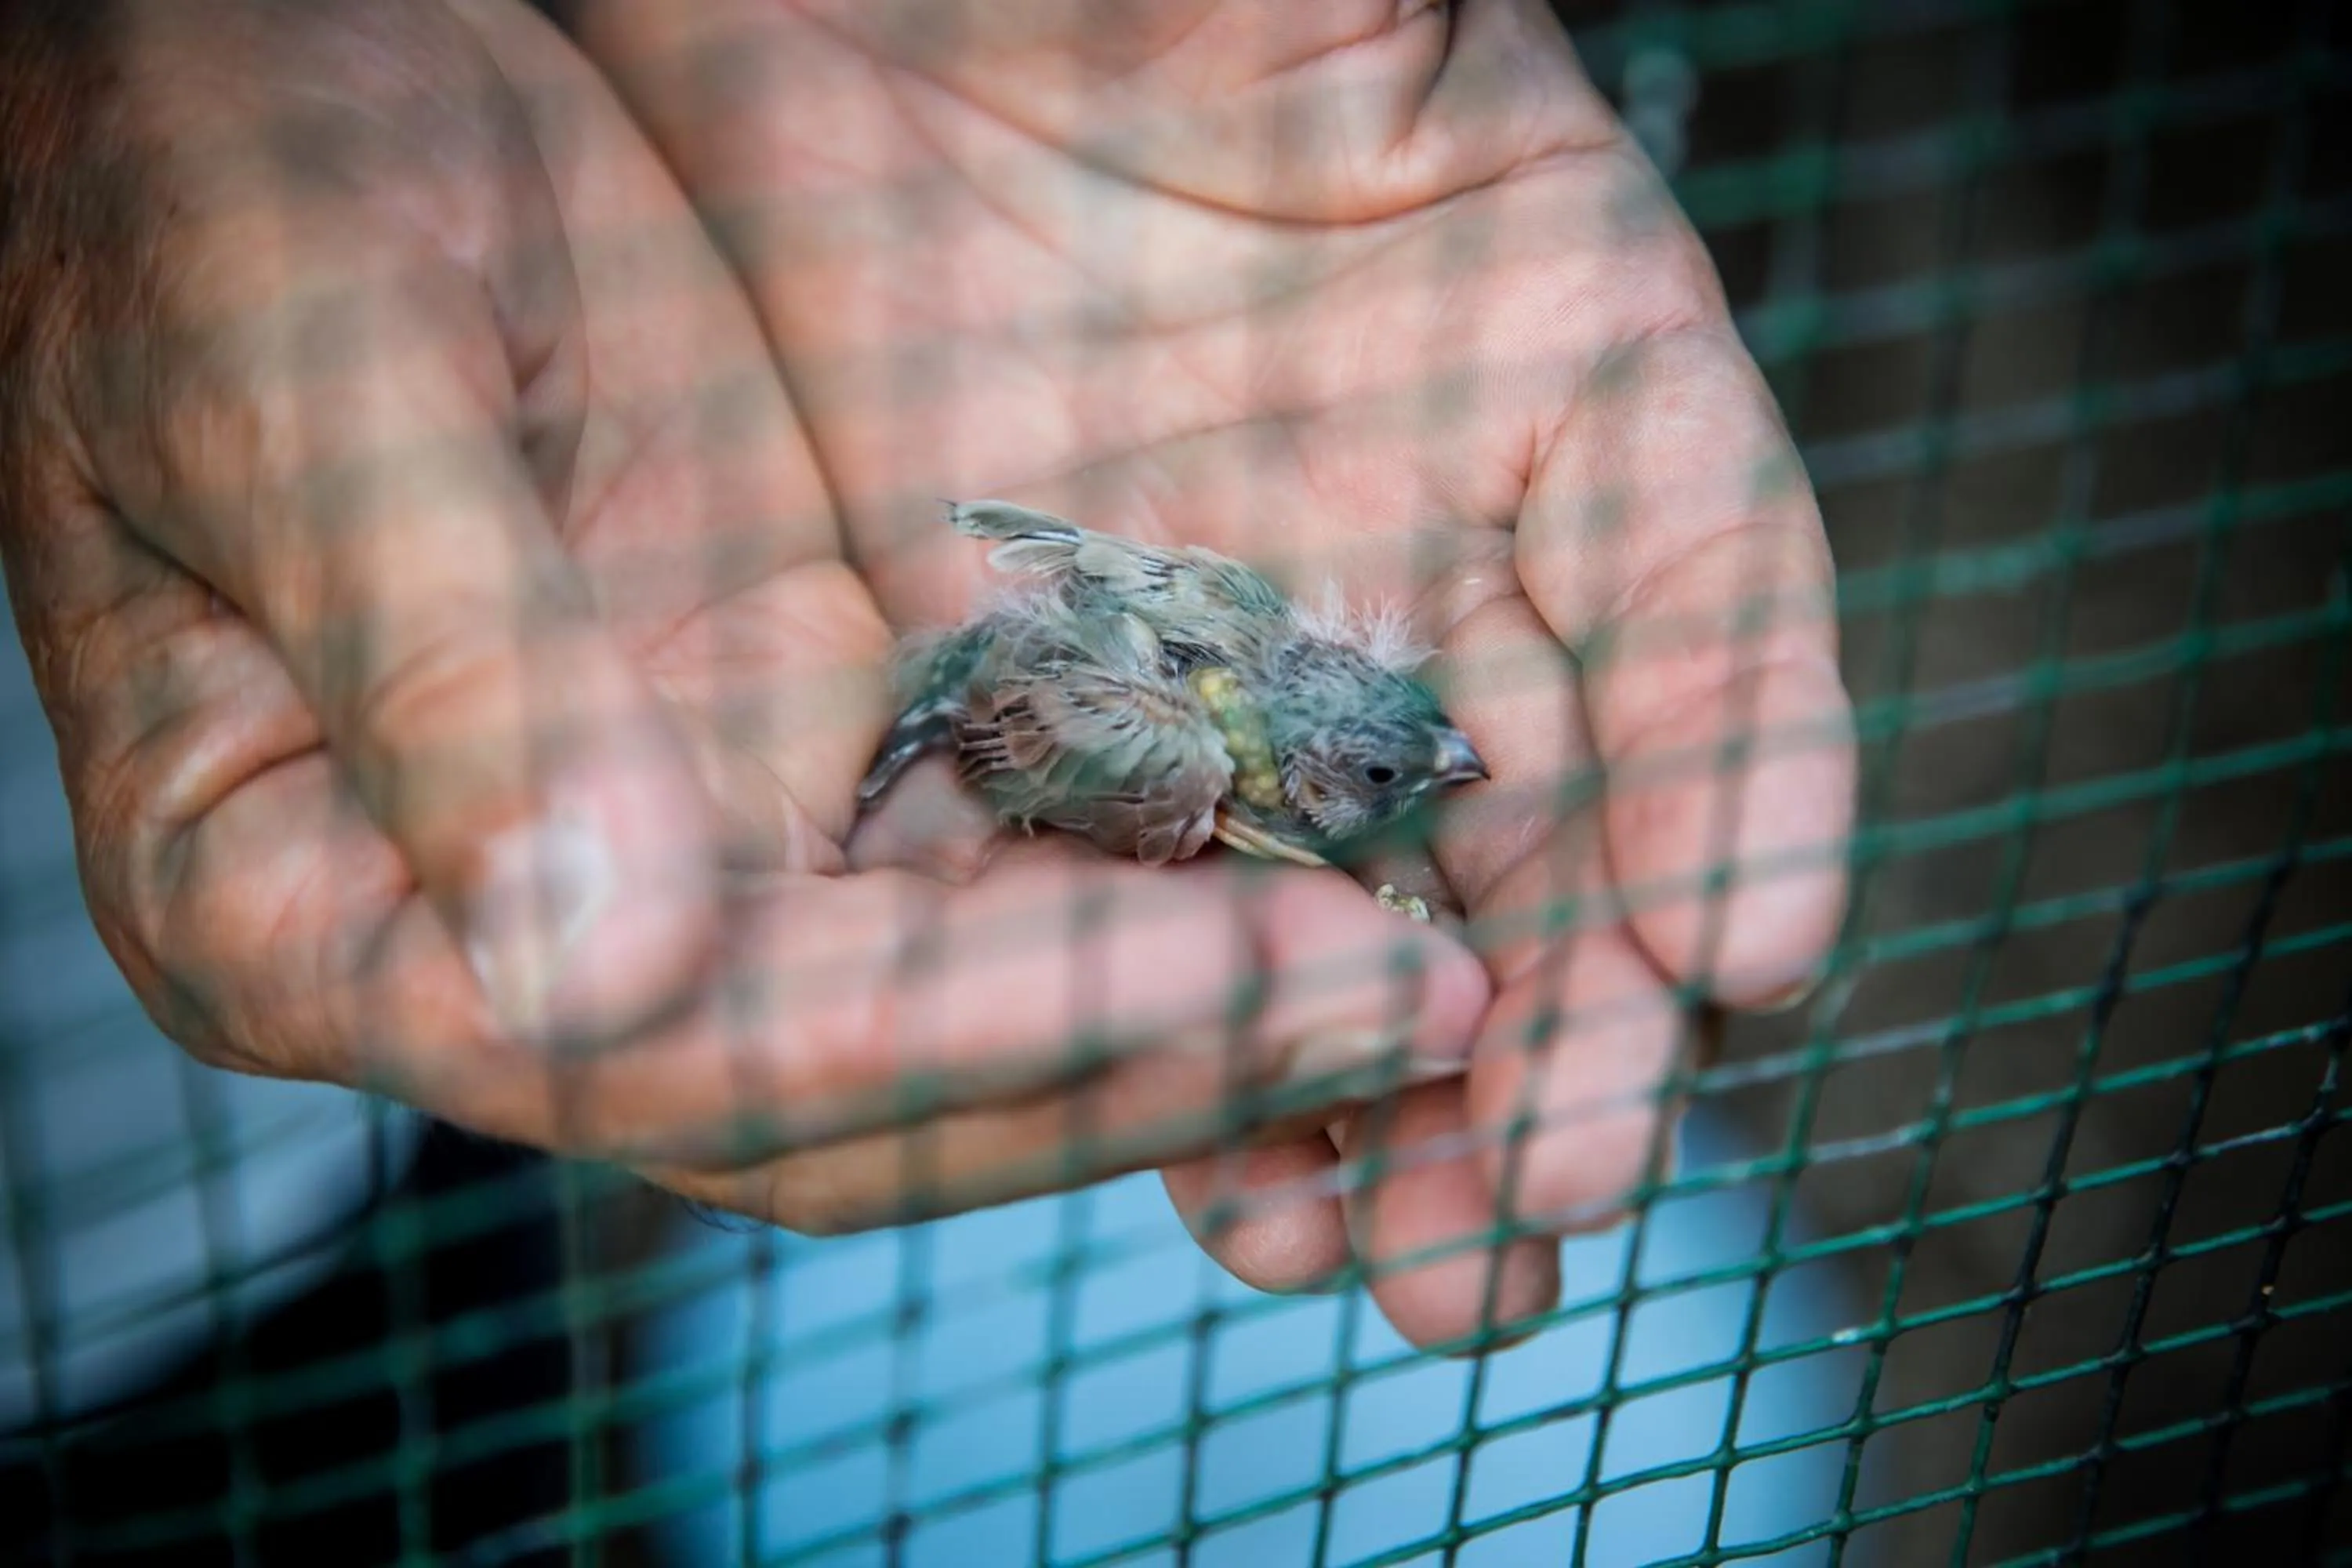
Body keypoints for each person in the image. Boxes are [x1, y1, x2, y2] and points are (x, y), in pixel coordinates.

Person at [0, 0, 1857, 1555]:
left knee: (440, 1388)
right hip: (134, 1202)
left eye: (1412, 752)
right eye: (1401, 757)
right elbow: (1080, 713)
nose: (1451, 763)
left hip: (317, 1174)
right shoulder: (1171, 772)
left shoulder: (1278, 688)